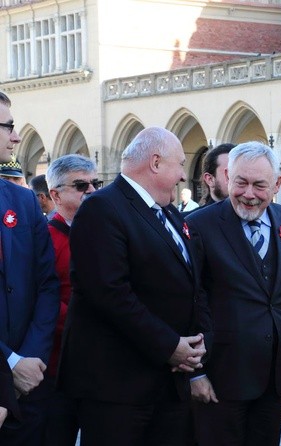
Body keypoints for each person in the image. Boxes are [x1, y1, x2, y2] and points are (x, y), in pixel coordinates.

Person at [58, 127, 210, 446]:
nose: (184, 175)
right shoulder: (102, 208)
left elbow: (189, 284)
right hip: (118, 389)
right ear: (155, 162)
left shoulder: (166, 213)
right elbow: (109, 294)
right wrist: (170, 346)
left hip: (166, 384)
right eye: (180, 164)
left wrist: (195, 345)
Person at [186, 141, 281, 446]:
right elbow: (190, 301)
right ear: (227, 176)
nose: (249, 194)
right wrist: (195, 374)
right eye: (240, 182)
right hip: (220, 378)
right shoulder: (199, 225)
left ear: (277, 184)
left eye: (259, 185)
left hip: (275, 378)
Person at [0, 91, 60, 446]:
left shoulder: (22, 200)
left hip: (29, 385)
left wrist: (30, 359)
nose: (17, 136)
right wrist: (9, 363)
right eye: (8, 126)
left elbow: (47, 285)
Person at [44, 154, 101, 445]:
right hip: (59, 367)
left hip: (102, 368)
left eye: (95, 183)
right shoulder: (45, 239)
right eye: (81, 185)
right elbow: (45, 300)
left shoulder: (103, 231)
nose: (91, 191)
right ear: (55, 194)